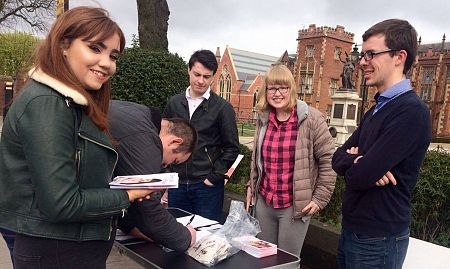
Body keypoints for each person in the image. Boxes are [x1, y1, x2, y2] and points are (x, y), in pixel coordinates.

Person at [0, 7, 153, 269]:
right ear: (64, 45)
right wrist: (127, 195)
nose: (107, 63)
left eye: (113, 55)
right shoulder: (47, 103)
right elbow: (61, 203)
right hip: (57, 252)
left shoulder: (70, 103)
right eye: (95, 48)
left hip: (71, 249)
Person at [332, 19, 432, 269]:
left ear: (399, 57)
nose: (362, 62)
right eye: (363, 54)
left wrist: (360, 165)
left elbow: (360, 177)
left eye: (371, 54)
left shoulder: (411, 112)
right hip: (354, 231)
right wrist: (356, 160)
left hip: (379, 239)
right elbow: (336, 158)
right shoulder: (375, 110)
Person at [245, 64, 336, 259]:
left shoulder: (311, 118)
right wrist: (251, 186)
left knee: (286, 261)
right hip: (265, 203)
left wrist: (320, 198)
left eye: (283, 88)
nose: (277, 93)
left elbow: (329, 160)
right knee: (264, 259)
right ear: (266, 91)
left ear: (291, 89)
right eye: (272, 88)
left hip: (294, 207)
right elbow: (258, 160)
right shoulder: (264, 119)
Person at [108, 100, 197, 251]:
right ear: (175, 142)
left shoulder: (138, 116)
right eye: (174, 160)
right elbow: (147, 209)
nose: (166, 166)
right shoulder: (144, 140)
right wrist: (186, 237)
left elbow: (130, 196)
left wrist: (130, 227)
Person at [163, 50, 240, 222]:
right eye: (197, 74)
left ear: (213, 76)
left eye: (206, 76)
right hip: (177, 184)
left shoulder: (222, 108)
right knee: (177, 236)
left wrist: (213, 178)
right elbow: (162, 141)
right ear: (188, 70)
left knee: (206, 239)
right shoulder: (174, 103)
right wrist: (168, 175)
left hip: (207, 188)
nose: (201, 80)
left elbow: (232, 148)